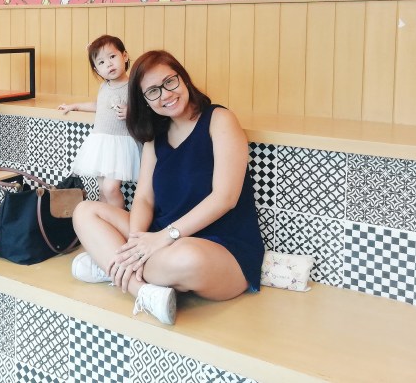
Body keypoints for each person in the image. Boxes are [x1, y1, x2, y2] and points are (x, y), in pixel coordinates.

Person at [70, 50, 264, 325]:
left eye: (169, 82)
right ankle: (142, 291)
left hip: (221, 249)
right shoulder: (155, 136)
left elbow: (225, 198)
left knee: (187, 258)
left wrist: (164, 237)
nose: (165, 94)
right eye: (152, 91)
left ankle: (110, 266)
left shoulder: (220, 119)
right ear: (144, 101)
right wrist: (136, 243)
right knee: (85, 211)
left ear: (183, 78)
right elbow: (144, 199)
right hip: (159, 239)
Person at [58, 35, 141, 208]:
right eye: (101, 62)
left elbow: (146, 109)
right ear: (97, 70)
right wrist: (75, 106)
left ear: (125, 56)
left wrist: (131, 112)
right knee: (102, 189)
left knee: (111, 188)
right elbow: (99, 105)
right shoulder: (104, 86)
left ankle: (120, 220)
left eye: (112, 57)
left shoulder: (133, 86)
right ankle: (104, 220)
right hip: (102, 144)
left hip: (121, 146)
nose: (109, 64)